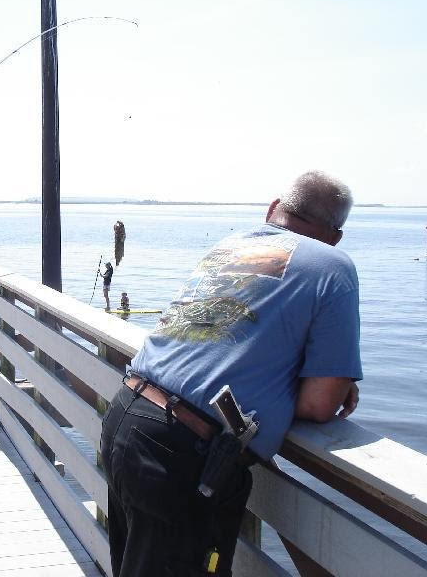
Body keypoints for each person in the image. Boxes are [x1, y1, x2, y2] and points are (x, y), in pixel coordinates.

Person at [100, 171, 362, 577]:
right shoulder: (333, 267)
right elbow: (319, 403)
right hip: (181, 452)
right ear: (335, 236)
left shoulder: (231, 245)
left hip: (127, 415)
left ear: (274, 208)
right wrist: (326, 379)